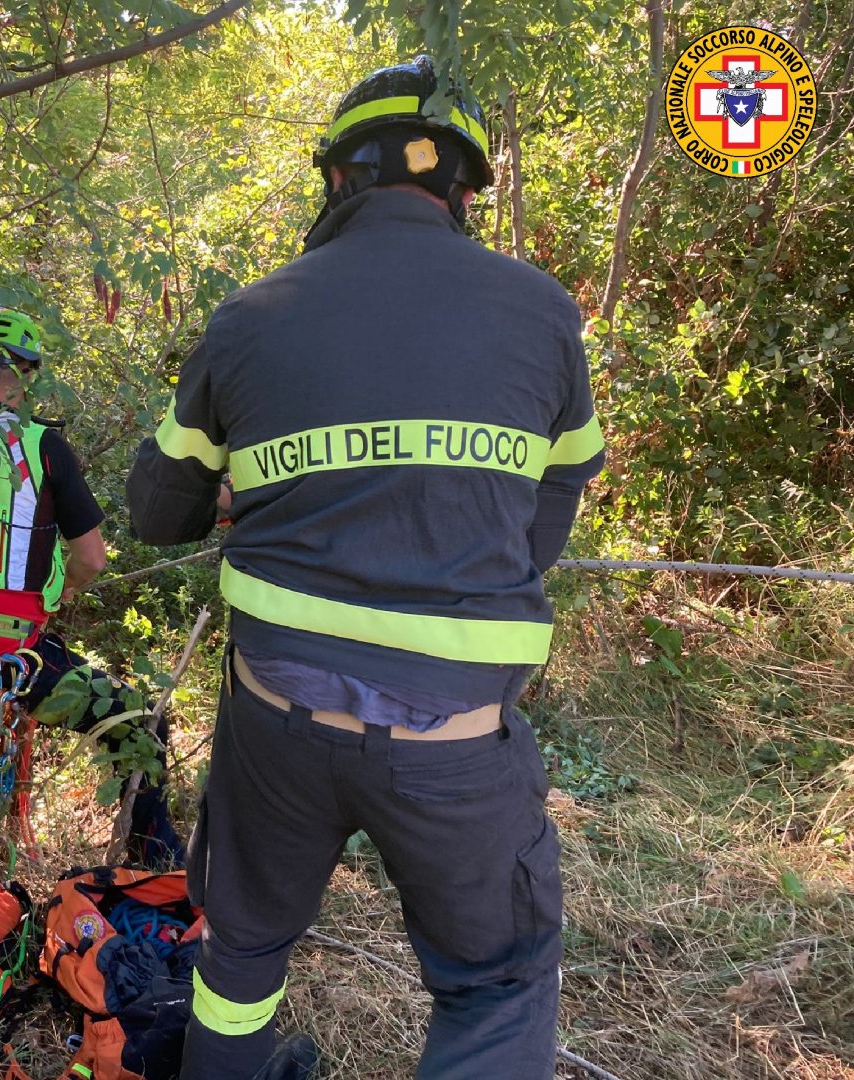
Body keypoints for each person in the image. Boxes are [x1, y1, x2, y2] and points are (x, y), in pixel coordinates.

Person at [126, 57, 605, 1079]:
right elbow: (559, 493)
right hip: (459, 744)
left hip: (276, 722)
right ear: (463, 191)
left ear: (338, 180)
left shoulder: (254, 315)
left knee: (242, 950)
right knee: (496, 982)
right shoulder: (542, 312)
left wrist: (245, 484)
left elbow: (155, 510)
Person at [0, 309, 184, 867]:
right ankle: (156, 863)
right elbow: (92, 559)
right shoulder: (41, 446)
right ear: (27, 377)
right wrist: (58, 596)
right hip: (10, 654)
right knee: (140, 724)